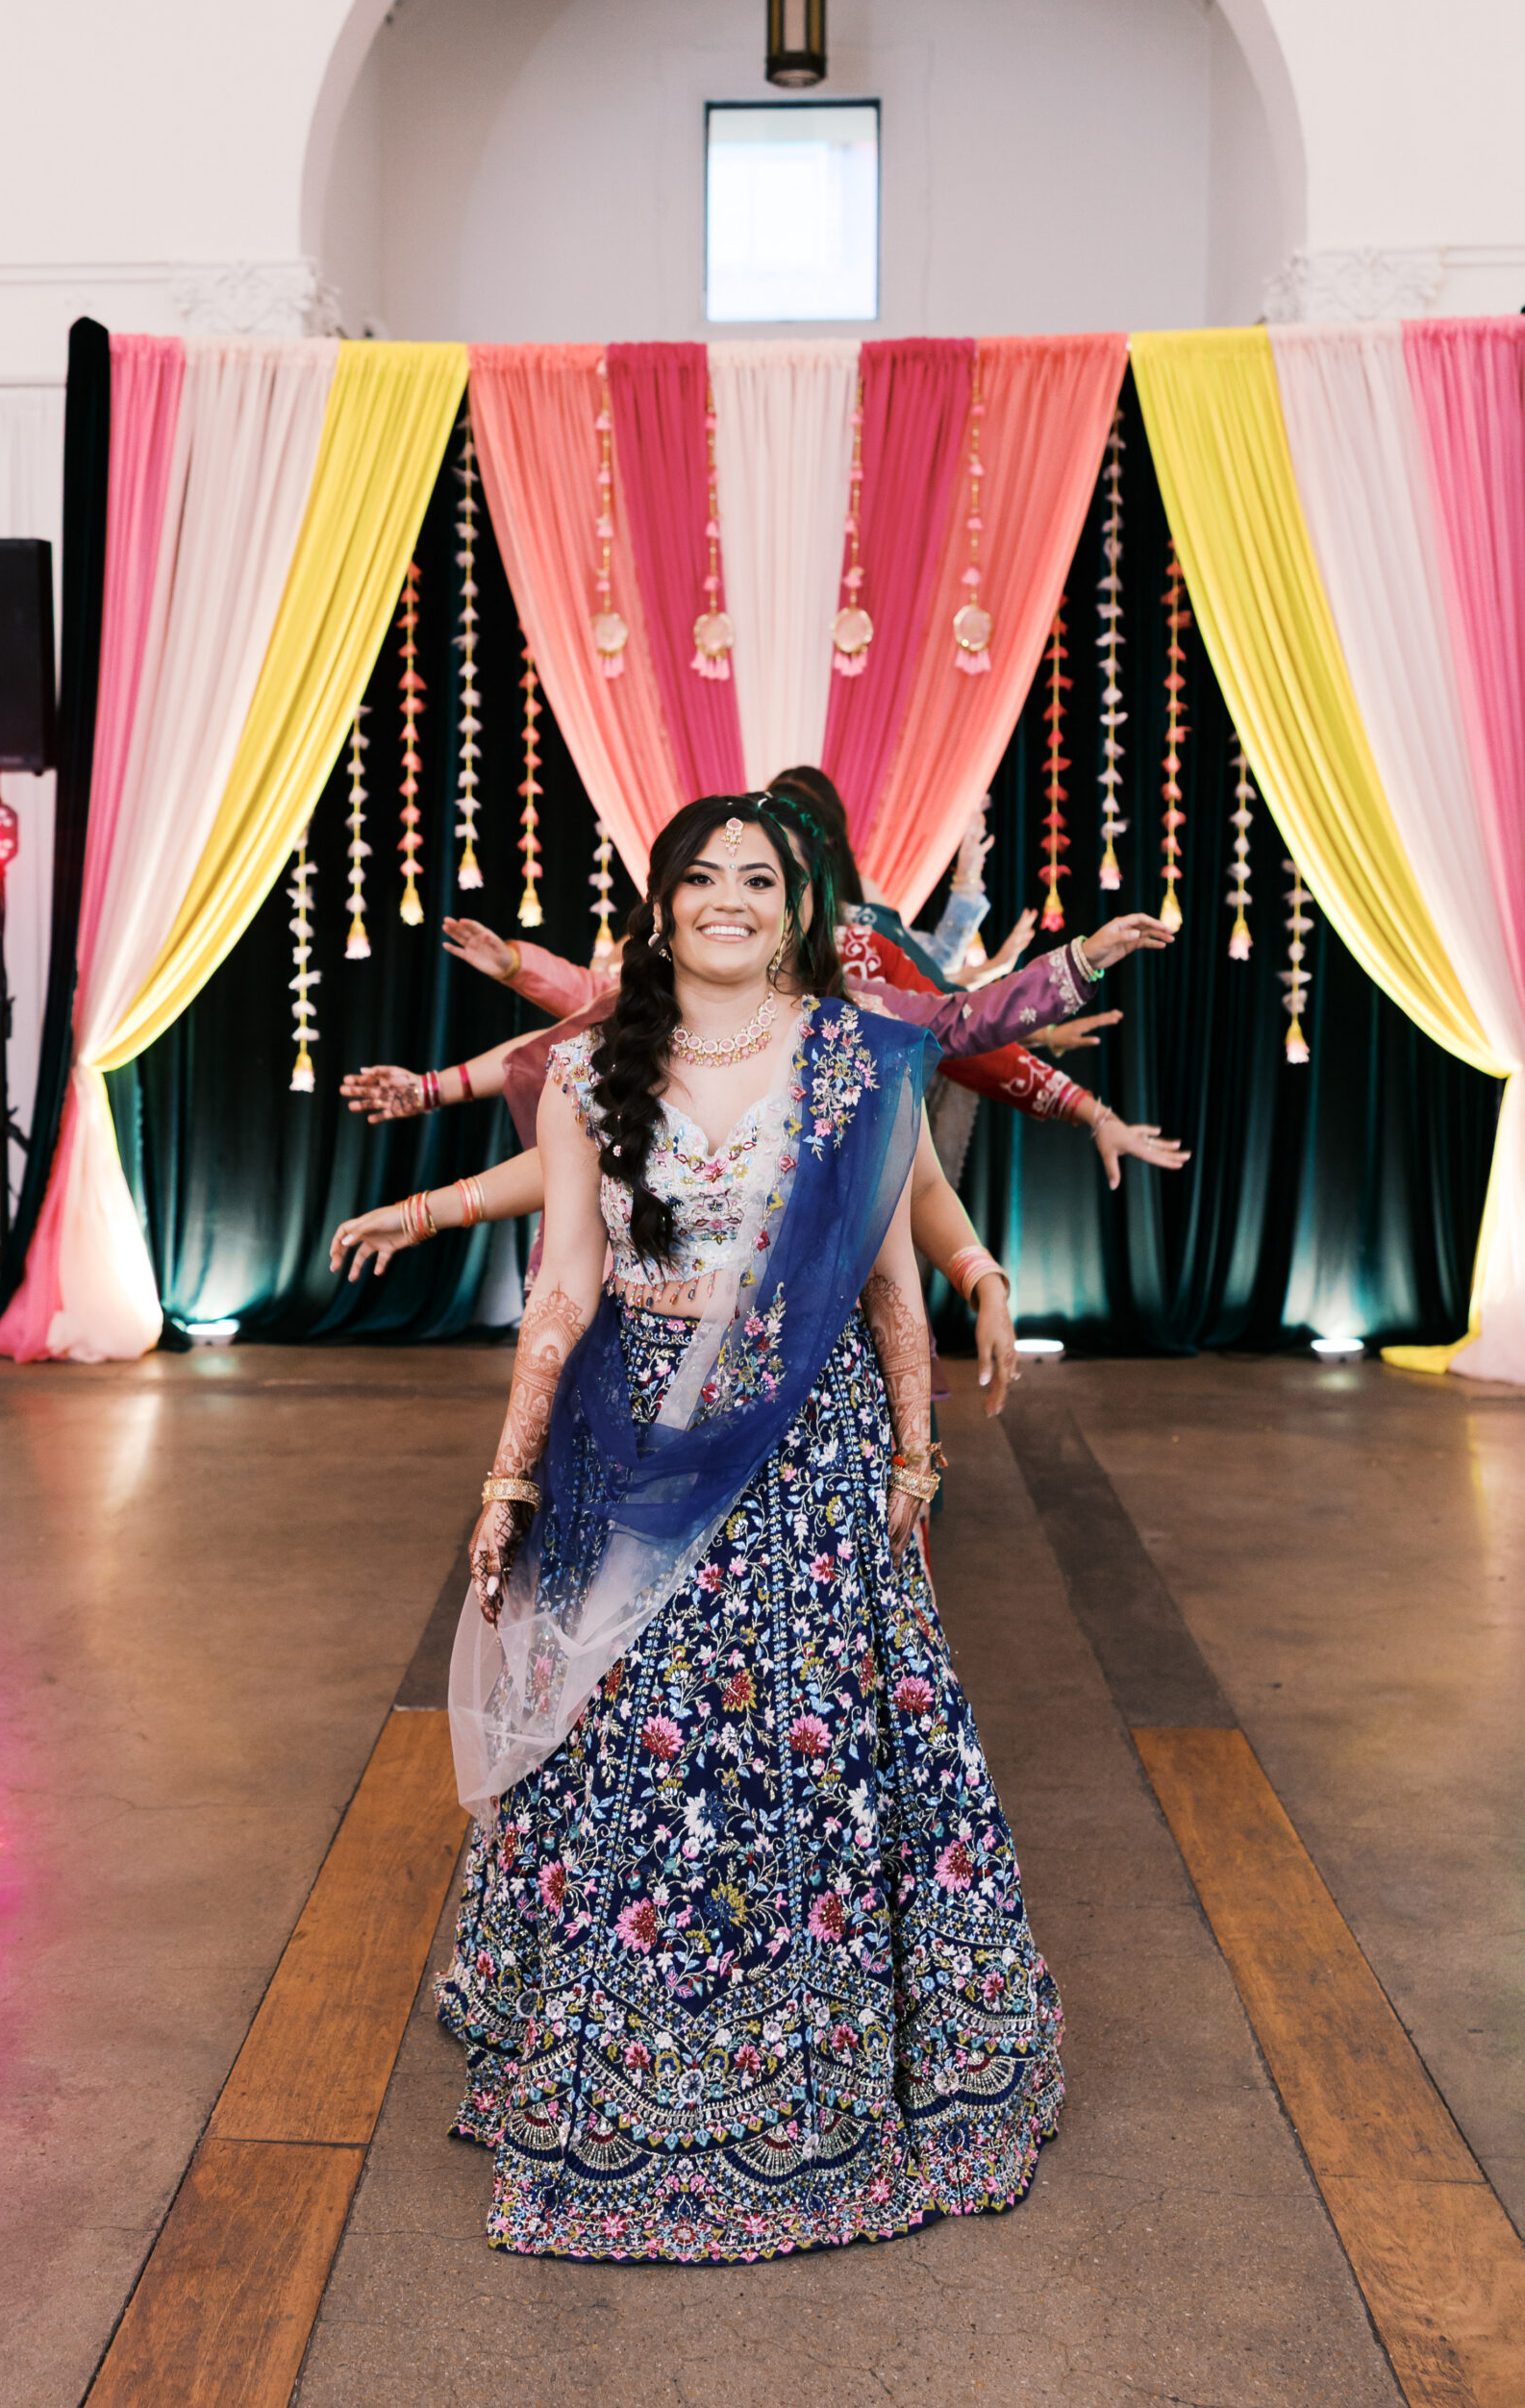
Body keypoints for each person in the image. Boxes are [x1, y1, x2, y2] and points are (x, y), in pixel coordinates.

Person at [437, 791, 1063, 2263]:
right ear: (659, 905)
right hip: (632, 1443)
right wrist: (505, 1478)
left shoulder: (859, 1056)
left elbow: (890, 1277)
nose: (729, 898)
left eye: (758, 878)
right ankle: (638, 2077)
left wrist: (915, 1459)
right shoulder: (590, 1072)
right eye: (700, 876)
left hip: (809, 1451)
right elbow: (564, 1288)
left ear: (798, 904)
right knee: (630, 1735)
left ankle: (829, 2074)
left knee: (826, 1736)